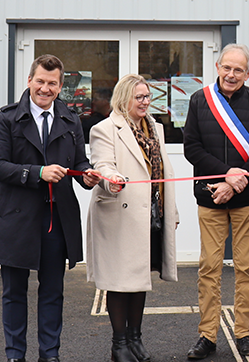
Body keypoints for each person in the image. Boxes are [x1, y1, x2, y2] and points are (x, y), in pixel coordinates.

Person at [0, 54, 103, 362]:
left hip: (56, 220)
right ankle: (15, 355)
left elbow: (78, 162)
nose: (45, 88)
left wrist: (88, 176)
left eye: (52, 83)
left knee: (53, 292)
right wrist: (37, 173)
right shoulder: (7, 118)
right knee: (14, 294)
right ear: (29, 81)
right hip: (15, 219)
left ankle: (50, 355)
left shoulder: (71, 118)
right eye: (40, 81)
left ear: (61, 86)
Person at [183, 43, 249, 359]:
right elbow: (191, 148)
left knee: (247, 267)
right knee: (209, 267)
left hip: (246, 198)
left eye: (239, 69)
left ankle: (244, 332)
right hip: (210, 196)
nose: (231, 74)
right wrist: (225, 176)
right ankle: (207, 335)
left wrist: (234, 185)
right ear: (217, 67)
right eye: (227, 67)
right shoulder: (199, 100)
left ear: (248, 73)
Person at [87, 74, 180, 362]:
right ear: (123, 99)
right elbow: (102, 163)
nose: (145, 102)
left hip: (149, 213)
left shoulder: (155, 128)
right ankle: (119, 345)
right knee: (119, 280)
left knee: (140, 277)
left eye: (148, 96)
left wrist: (171, 211)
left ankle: (135, 338)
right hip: (119, 215)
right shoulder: (104, 129)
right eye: (139, 97)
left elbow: (163, 171)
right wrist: (110, 178)